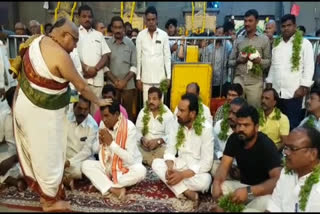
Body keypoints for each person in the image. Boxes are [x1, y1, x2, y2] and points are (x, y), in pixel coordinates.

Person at [11, 18, 110, 212]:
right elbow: (81, 86)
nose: (74, 48)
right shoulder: (60, 56)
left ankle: (48, 194)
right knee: (47, 154)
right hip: (41, 115)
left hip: (24, 106)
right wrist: (98, 101)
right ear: (64, 35)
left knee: (38, 152)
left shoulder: (35, 40)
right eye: (74, 41)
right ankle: (50, 200)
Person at [211, 105, 282, 212]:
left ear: (256, 127)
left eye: (246, 125)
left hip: (260, 192)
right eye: (239, 125)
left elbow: (277, 180)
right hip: (242, 185)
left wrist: (249, 191)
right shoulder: (234, 138)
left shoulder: (266, 145)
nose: (241, 129)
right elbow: (224, 166)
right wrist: (216, 182)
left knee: (269, 202)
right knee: (219, 186)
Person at [152, 93, 213, 206]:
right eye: (178, 110)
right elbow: (170, 151)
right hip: (179, 165)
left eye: (182, 111)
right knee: (156, 163)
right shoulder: (177, 124)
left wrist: (182, 175)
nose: (177, 114)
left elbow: (206, 163)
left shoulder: (206, 129)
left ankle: (176, 186)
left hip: (195, 172)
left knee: (206, 181)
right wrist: (170, 168)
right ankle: (187, 192)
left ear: (192, 114)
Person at [82, 100, 146, 199]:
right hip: (108, 166)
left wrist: (111, 144)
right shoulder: (103, 124)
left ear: (116, 114)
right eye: (102, 116)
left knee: (141, 171)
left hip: (126, 168)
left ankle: (103, 185)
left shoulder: (130, 127)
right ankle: (115, 188)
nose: (103, 119)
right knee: (85, 165)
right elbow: (95, 150)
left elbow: (130, 159)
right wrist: (99, 142)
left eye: (107, 116)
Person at [266, 14, 314, 130]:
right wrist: (269, 83)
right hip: (277, 92)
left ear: (295, 26)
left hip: (294, 92)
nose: (286, 28)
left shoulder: (304, 43)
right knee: (277, 125)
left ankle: (291, 148)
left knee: (292, 126)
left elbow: (309, 66)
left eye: (289, 25)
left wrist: (303, 87)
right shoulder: (277, 44)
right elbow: (274, 66)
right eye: (283, 26)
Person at [266, 127, 320, 212]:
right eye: (286, 147)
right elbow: (274, 205)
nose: (286, 153)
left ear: (313, 154)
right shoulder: (286, 171)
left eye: (293, 148)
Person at [229, 9, 271, 108]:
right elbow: (230, 62)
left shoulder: (264, 40)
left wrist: (259, 61)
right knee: (235, 109)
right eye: (245, 21)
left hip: (255, 83)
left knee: (254, 111)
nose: (247, 23)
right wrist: (238, 61)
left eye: (250, 21)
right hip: (239, 81)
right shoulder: (239, 40)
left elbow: (268, 62)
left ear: (256, 22)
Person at [77, 5, 111, 115]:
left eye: (90, 16)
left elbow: (105, 55)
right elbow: (73, 55)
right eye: (84, 16)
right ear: (79, 18)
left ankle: (95, 132)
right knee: (80, 109)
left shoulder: (98, 35)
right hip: (81, 79)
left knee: (96, 112)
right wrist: (86, 68)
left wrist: (95, 69)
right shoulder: (74, 33)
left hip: (97, 79)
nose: (87, 19)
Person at [136, 6, 171, 103]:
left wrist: (168, 77)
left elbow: (167, 57)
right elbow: (138, 58)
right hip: (146, 79)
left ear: (157, 20)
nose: (151, 22)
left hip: (160, 79)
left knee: (160, 106)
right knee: (147, 106)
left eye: (153, 19)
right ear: (145, 21)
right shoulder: (140, 35)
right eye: (148, 20)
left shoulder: (163, 35)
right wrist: (138, 78)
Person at [63, 95, 98, 189]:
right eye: (79, 108)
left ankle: (65, 178)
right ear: (74, 107)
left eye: (85, 109)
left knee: (89, 167)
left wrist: (69, 162)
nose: (82, 112)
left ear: (89, 110)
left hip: (81, 160)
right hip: (65, 157)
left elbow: (87, 151)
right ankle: (69, 178)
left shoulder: (93, 125)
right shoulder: (65, 119)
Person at [106, 16, 137, 121]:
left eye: (120, 27)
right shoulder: (107, 44)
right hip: (112, 86)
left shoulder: (130, 44)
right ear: (112, 29)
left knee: (128, 114)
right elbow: (105, 67)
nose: (118, 30)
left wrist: (124, 81)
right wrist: (115, 81)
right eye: (115, 27)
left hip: (128, 86)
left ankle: (128, 135)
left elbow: (134, 66)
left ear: (123, 28)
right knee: (112, 113)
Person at [136, 87, 174, 166]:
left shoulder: (167, 114)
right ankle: (152, 161)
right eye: (149, 99)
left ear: (160, 100)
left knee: (169, 151)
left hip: (160, 148)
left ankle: (149, 161)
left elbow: (171, 135)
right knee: (133, 147)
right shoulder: (143, 112)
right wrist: (142, 139)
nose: (151, 101)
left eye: (154, 99)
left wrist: (159, 141)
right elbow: (137, 131)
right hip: (144, 147)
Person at [0, 87, 26, 192]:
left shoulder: (29, 118)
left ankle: (11, 180)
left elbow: (33, 147)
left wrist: (14, 159)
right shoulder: (4, 117)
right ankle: (13, 179)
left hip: (25, 157)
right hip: (9, 154)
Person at [202, 26, 233, 98]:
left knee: (220, 100)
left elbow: (232, 56)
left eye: (220, 33)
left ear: (224, 35)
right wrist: (202, 49)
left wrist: (233, 41)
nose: (217, 35)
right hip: (210, 81)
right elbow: (204, 62)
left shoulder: (227, 47)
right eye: (216, 32)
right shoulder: (208, 48)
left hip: (222, 81)